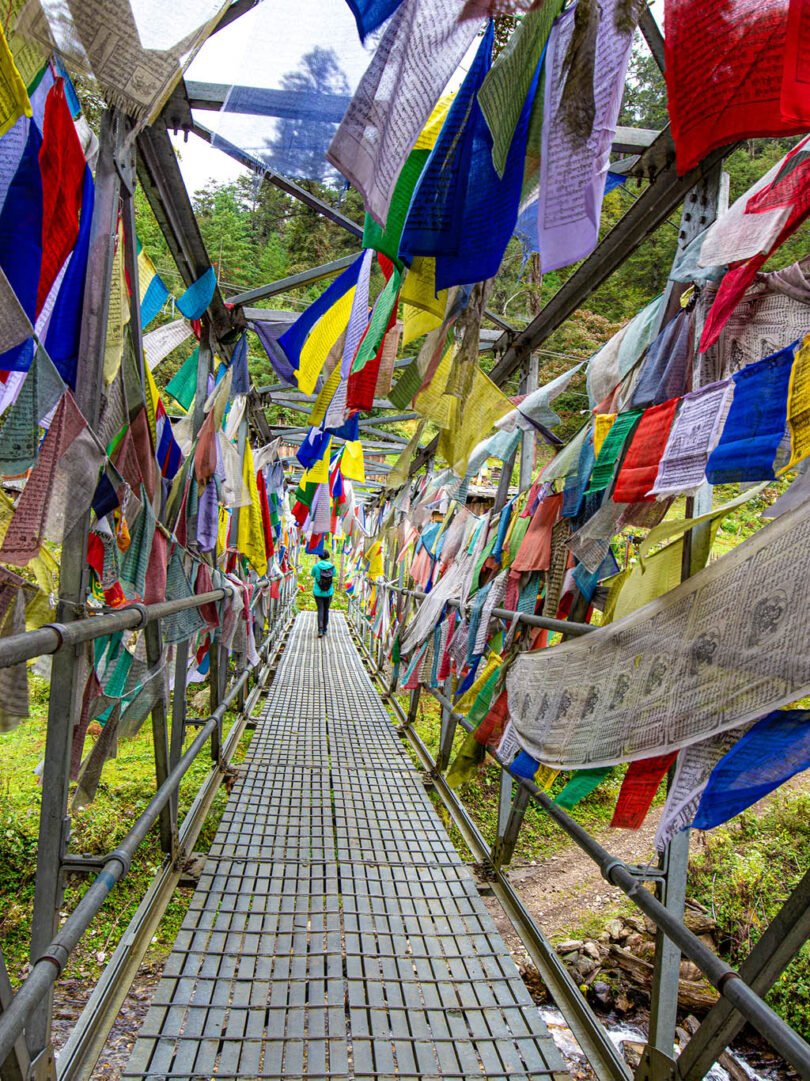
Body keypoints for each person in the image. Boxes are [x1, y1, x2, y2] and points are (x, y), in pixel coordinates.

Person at [312, 550, 336, 637]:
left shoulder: (316, 566)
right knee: (326, 610)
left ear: (319, 556)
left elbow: (313, 574)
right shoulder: (332, 567)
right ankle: (325, 629)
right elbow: (334, 575)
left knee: (320, 609)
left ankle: (320, 630)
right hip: (329, 592)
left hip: (318, 592)